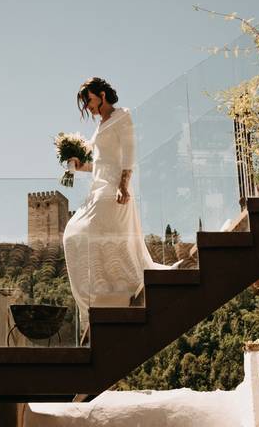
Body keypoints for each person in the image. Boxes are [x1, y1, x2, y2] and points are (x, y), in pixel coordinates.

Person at [63, 77, 170, 344]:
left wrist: (124, 184)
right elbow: (99, 163)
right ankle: (99, 293)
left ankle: (118, 285)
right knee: (72, 234)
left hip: (113, 189)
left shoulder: (122, 116)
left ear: (101, 95)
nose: (87, 107)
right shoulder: (100, 127)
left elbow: (129, 152)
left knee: (85, 231)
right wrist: (79, 165)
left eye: (88, 100)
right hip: (97, 188)